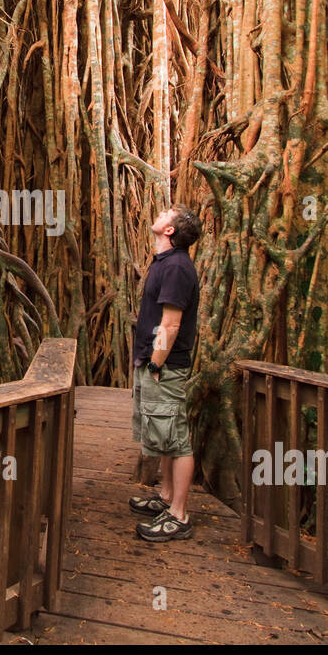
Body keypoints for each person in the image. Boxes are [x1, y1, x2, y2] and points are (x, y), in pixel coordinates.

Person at [129, 203, 202, 541]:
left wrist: (157, 363)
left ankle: (180, 515)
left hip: (165, 366)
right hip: (152, 361)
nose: (159, 214)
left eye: (166, 214)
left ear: (170, 230)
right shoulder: (165, 263)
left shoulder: (176, 268)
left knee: (177, 436)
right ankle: (167, 496)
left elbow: (170, 324)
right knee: (165, 435)